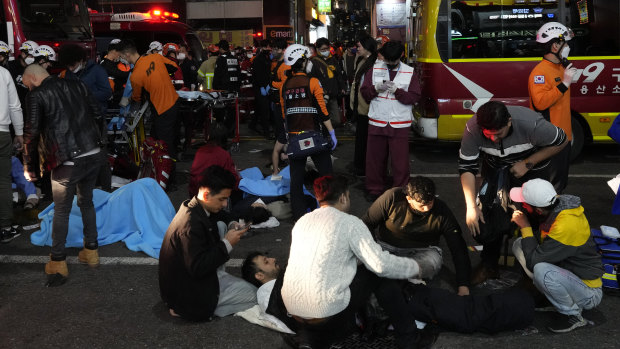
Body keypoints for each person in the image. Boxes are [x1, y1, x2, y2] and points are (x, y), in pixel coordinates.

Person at [281, 175, 439, 349]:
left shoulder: (303, 221)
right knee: (377, 273)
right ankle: (410, 338)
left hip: (293, 310)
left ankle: (308, 339)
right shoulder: (350, 223)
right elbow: (380, 265)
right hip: (326, 313)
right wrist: (415, 267)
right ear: (343, 197)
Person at [459, 101, 569, 285]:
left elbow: (562, 141)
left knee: (536, 218)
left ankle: (532, 270)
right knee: (486, 220)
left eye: (498, 134)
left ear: (509, 122)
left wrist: (528, 163)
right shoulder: (473, 128)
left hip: (532, 171)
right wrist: (471, 207)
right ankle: (489, 265)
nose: (493, 140)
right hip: (497, 172)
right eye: (488, 135)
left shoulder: (532, 124)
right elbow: (466, 167)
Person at [21, 64, 104, 284]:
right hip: (93, 151)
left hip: (67, 159)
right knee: (87, 202)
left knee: (62, 210)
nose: (26, 88)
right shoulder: (76, 83)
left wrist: (28, 166)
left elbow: (32, 132)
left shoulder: (36, 95)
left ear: (32, 78)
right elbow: (97, 113)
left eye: (26, 83)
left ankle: (58, 262)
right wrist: (99, 141)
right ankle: (91, 251)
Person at [159, 165, 257, 321]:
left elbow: (221, 216)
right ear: (206, 194)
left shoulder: (193, 205)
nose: (225, 204)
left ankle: (210, 292)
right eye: (222, 199)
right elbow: (198, 268)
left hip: (178, 287)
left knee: (221, 225)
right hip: (188, 296)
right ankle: (197, 309)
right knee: (253, 294)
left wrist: (232, 223)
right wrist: (227, 243)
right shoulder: (191, 226)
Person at [510, 178, 603, 333]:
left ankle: (572, 314)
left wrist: (525, 226)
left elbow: (533, 261)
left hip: (589, 292)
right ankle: (554, 296)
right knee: (520, 244)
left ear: (538, 210)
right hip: (570, 274)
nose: (523, 205)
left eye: (525, 203)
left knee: (541, 270)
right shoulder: (555, 204)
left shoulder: (566, 226)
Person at [363, 176, 472, 296]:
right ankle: (401, 276)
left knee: (433, 262)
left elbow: (458, 247)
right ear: (409, 199)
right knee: (358, 253)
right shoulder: (392, 197)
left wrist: (464, 285)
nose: (426, 209)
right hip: (385, 247)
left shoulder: (442, 211)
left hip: (421, 252)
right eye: (421, 205)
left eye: (430, 203)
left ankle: (388, 273)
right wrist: (373, 249)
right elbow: (366, 223)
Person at [275, 44, 337, 220]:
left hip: (294, 139)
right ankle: (330, 212)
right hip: (315, 138)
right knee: (326, 176)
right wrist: (332, 133)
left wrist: (287, 137)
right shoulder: (313, 82)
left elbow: (284, 114)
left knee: (296, 180)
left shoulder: (284, 85)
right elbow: (323, 111)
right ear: (303, 63)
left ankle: (299, 216)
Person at [360, 41, 421, 202]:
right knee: (374, 159)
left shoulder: (409, 72)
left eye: (393, 61)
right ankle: (374, 188)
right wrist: (376, 88)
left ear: (401, 55)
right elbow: (365, 93)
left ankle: (401, 190)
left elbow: (414, 97)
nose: (391, 64)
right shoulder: (374, 69)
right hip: (377, 120)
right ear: (383, 56)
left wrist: (398, 92)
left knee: (400, 161)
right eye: (388, 60)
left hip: (399, 122)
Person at [529, 22, 578, 193]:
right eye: (565, 43)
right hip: (550, 140)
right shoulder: (540, 72)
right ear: (555, 45)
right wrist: (564, 84)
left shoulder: (560, 67)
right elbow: (540, 103)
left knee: (560, 184)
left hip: (563, 137)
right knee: (550, 187)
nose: (568, 47)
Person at [117, 39, 180, 160]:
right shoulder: (156, 57)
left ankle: (168, 174)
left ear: (127, 55)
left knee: (165, 145)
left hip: (162, 110)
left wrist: (128, 99)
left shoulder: (135, 76)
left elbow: (137, 97)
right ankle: (157, 165)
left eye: (121, 56)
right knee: (155, 135)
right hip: (174, 101)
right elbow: (174, 67)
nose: (121, 59)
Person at [0, 66, 24, 243]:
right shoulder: (3, 72)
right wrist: (19, 132)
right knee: (2, 181)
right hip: (1, 133)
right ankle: (5, 227)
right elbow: (14, 106)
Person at [349, 35, 377, 177]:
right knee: (360, 139)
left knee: (365, 140)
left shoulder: (374, 64)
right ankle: (360, 167)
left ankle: (364, 168)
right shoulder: (362, 61)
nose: (356, 49)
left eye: (359, 46)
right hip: (360, 107)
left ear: (367, 47)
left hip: (368, 108)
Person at [189, 122, 240, 198]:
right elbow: (235, 181)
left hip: (195, 192)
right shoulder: (223, 154)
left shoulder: (200, 150)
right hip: (211, 195)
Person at [59, 44, 112, 115]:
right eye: (68, 66)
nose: (70, 69)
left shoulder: (97, 70)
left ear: (81, 60)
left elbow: (106, 93)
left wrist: (85, 95)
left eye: (73, 65)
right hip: (75, 115)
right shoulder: (68, 73)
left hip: (94, 115)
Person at [307, 37, 346, 127]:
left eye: (327, 49)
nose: (325, 51)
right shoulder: (313, 62)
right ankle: (326, 137)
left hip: (333, 95)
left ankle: (328, 132)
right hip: (321, 96)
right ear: (317, 49)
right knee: (322, 118)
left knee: (336, 120)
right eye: (322, 49)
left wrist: (342, 87)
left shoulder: (333, 60)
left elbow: (339, 76)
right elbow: (311, 79)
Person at [251, 39, 273, 139]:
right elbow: (258, 75)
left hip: (266, 86)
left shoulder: (267, 58)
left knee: (260, 109)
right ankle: (266, 132)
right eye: (268, 47)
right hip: (260, 87)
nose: (269, 49)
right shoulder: (258, 59)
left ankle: (252, 125)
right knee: (264, 110)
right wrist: (262, 87)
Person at [100, 39, 131, 106]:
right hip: (111, 100)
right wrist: (133, 71)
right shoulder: (105, 64)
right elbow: (120, 74)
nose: (120, 55)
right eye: (120, 52)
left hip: (116, 98)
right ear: (114, 51)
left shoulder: (113, 63)